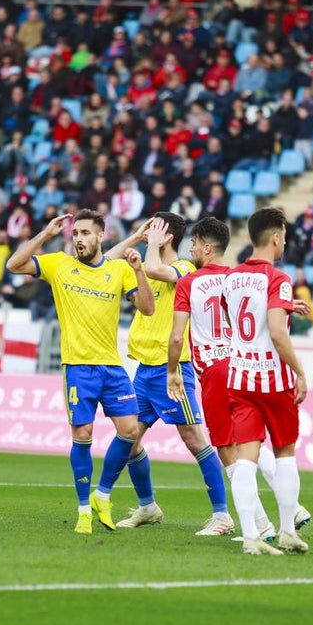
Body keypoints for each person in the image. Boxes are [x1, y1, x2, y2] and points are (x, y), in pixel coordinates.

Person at [5, 210, 155, 533]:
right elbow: (14, 265)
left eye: (86, 233)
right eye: (75, 234)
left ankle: (102, 494)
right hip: (77, 367)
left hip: (112, 367)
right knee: (83, 435)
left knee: (130, 431)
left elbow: (147, 308)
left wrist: (139, 270)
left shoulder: (118, 269)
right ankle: (84, 509)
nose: (79, 239)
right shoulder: (60, 264)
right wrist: (45, 234)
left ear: (101, 236)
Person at [168, 216, 311, 543]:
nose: (189, 249)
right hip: (242, 364)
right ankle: (293, 510)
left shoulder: (190, 282)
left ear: (206, 247)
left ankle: (260, 525)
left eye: (192, 243)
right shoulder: (236, 277)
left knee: (228, 449)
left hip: (214, 370)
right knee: (255, 442)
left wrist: (172, 371)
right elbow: (261, 309)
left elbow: (177, 337)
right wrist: (288, 304)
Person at [101, 214, 230, 535]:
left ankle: (222, 515)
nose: (147, 232)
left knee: (194, 439)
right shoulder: (141, 262)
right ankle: (148, 506)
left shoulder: (185, 269)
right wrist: (135, 239)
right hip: (144, 369)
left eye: (153, 227)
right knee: (130, 440)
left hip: (173, 370)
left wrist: (152, 247)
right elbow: (103, 262)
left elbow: (157, 270)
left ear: (166, 236)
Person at [221, 207, 309, 557]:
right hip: (272, 380)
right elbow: (275, 332)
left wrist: (285, 307)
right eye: (284, 237)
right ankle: (287, 531)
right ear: (275, 239)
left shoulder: (231, 278)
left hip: (238, 376)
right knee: (285, 453)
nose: (284, 243)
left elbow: (240, 319)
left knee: (246, 457)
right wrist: (299, 372)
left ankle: (250, 536)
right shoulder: (278, 279)